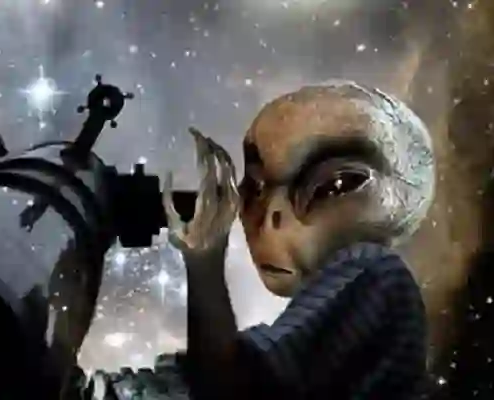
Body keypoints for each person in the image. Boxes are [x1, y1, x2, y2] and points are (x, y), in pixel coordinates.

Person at [90, 82, 435, 400]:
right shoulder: (341, 327)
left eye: (332, 186)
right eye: (256, 186)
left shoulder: (375, 273)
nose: (270, 215)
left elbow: (235, 389)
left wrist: (205, 262)